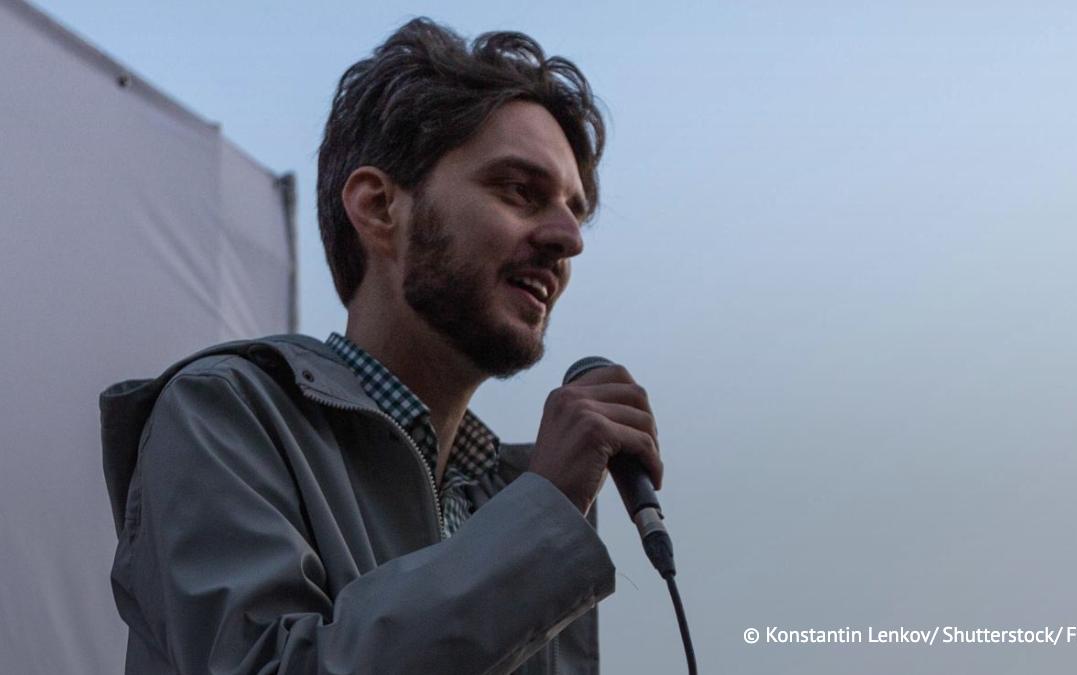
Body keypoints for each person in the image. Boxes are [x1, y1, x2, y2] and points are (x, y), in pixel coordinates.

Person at [99, 17, 663, 674]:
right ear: (377, 207)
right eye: (520, 191)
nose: (569, 238)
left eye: (574, 210)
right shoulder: (221, 413)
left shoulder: (513, 502)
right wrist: (546, 511)